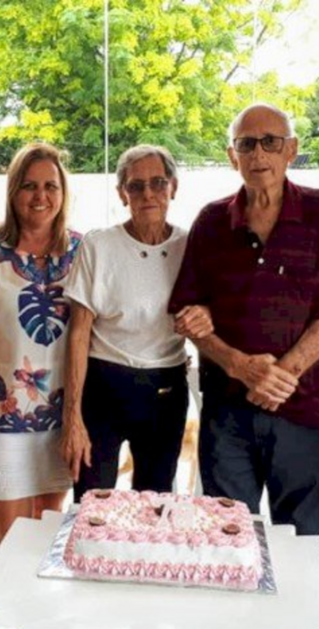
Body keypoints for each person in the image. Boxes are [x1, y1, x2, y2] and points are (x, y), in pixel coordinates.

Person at [168, 103, 319, 553]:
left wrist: (280, 376)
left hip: (307, 410)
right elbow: (186, 314)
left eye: (271, 141)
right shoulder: (211, 222)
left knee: (305, 546)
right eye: (246, 144)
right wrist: (240, 366)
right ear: (232, 155)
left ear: (291, 149)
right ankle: (232, 627)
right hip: (228, 415)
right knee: (225, 545)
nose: (259, 154)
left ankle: (303, 627)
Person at [61, 144, 212, 499]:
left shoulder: (191, 245)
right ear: (121, 193)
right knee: (91, 501)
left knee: (155, 502)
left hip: (165, 391)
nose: (148, 193)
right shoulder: (99, 245)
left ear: (173, 187)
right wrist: (72, 418)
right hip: (102, 388)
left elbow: (207, 312)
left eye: (158, 183)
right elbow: (78, 334)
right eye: (135, 185)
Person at [0, 142, 80, 558]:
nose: (40, 196)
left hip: (63, 415)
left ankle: (38, 621)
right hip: (3, 414)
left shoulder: (81, 252)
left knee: (48, 526)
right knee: (9, 532)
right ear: (12, 191)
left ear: (63, 193)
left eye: (50, 186)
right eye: (29, 186)